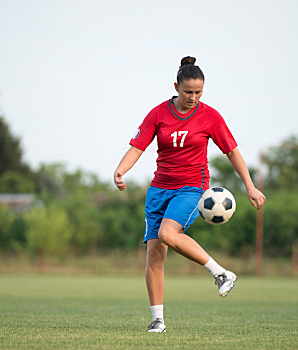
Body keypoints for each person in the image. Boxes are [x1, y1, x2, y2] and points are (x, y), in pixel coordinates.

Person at [113, 56, 266, 333]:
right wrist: (120, 171)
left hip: (192, 187)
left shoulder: (210, 117)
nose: (193, 97)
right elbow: (138, 147)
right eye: (188, 92)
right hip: (159, 189)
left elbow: (232, 151)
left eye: (198, 92)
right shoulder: (158, 114)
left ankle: (221, 273)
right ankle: (157, 320)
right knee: (154, 257)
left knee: (168, 235)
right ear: (176, 86)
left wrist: (250, 185)